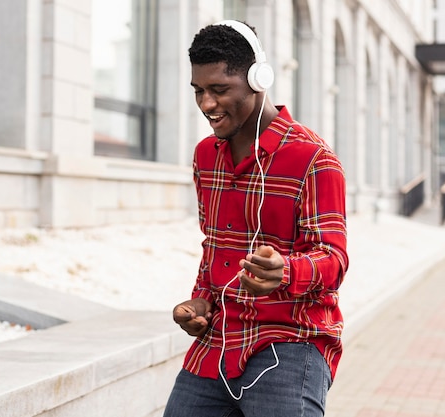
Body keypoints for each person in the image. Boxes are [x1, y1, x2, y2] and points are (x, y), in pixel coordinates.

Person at [163, 20, 349, 417]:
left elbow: (333, 259)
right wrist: (201, 300)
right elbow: (214, 245)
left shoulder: (313, 159)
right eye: (199, 91)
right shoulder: (205, 156)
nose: (207, 104)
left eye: (219, 90)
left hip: (291, 341)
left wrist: (285, 270)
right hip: (218, 341)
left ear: (257, 79)